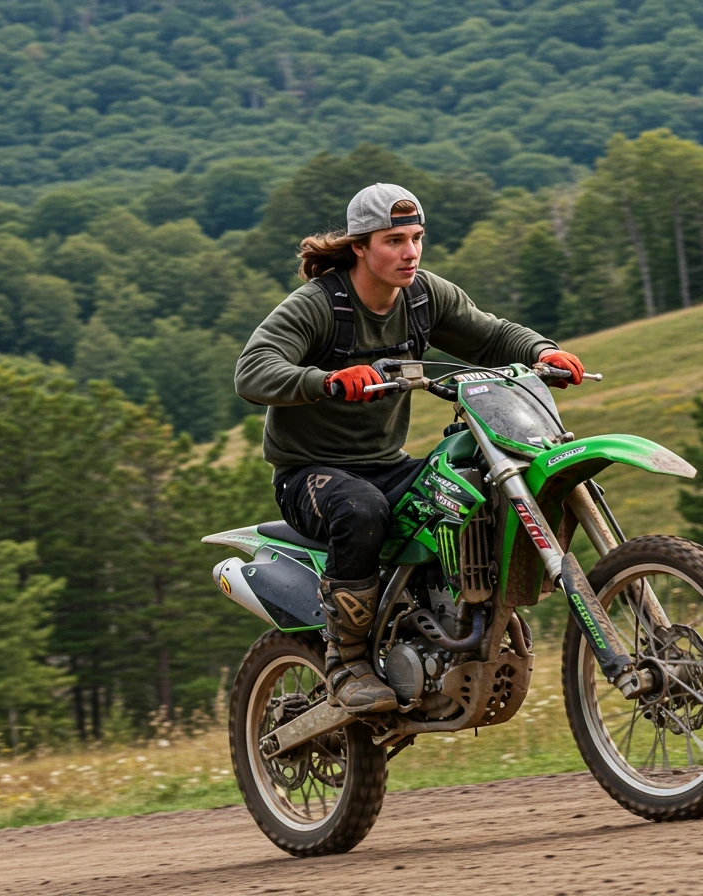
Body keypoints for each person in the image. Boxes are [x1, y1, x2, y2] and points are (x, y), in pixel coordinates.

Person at [235, 183, 584, 713]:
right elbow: (253, 368)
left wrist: (542, 351)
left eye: (416, 238)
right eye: (394, 240)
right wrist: (324, 381)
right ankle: (346, 661)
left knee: (466, 487)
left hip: (386, 464)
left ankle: (456, 623)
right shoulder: (319, 306)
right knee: (360, 509)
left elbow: (489, 336)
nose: (410, 252)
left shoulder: (424, 296)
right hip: (310, 474)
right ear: (359, 246)